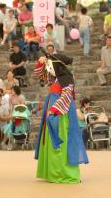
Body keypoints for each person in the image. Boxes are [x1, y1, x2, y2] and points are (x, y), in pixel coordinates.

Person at [34, 51, 88, 183]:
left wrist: (54, 109)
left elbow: (66, 96)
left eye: (51, 65)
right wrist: (42, 62)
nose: (49, 68)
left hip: (61, 112)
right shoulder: (56, 77)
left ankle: (61, 172)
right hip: (53, 108)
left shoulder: (67, 78)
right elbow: (41, 75)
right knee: (51, 139)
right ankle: (52, 171)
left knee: (60, 137)